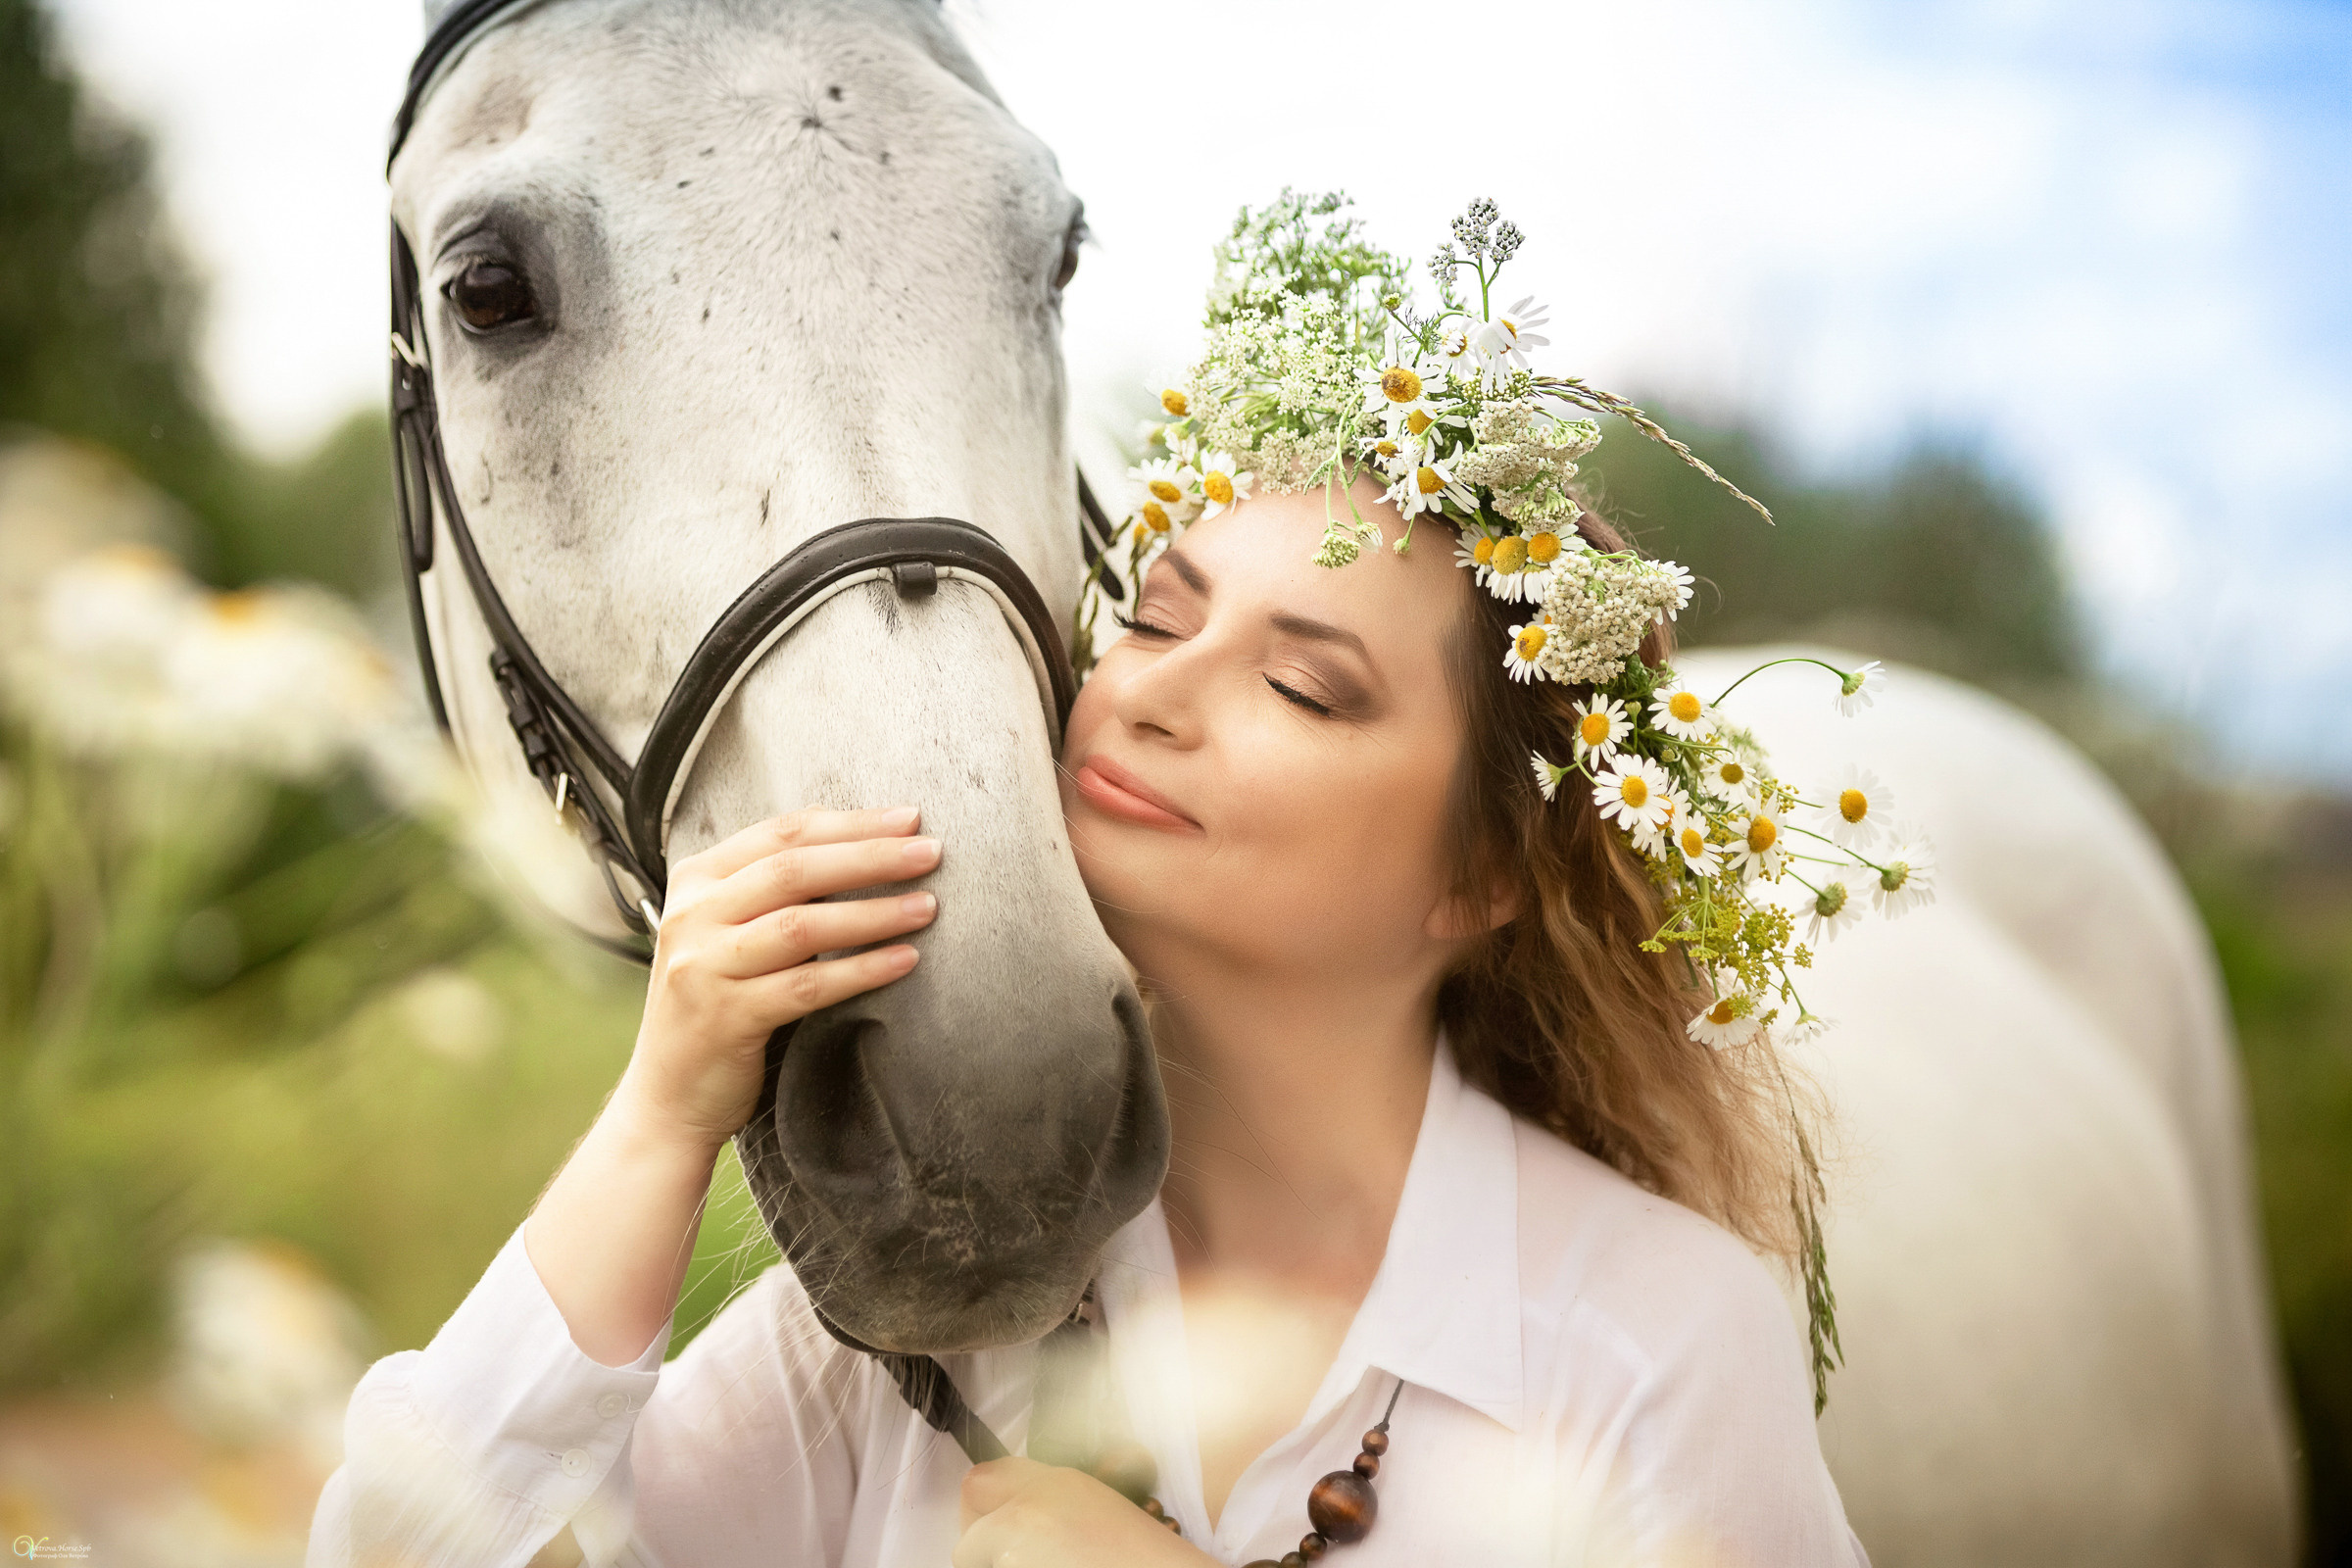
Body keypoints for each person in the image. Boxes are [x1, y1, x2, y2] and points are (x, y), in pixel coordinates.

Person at [310, 199, 1886, 1567]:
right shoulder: (918, 1326)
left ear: (1482, 874)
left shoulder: (1660, 1342)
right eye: (1152, 614)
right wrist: (660, 1120)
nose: (1146, 693)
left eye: (1305, 688)